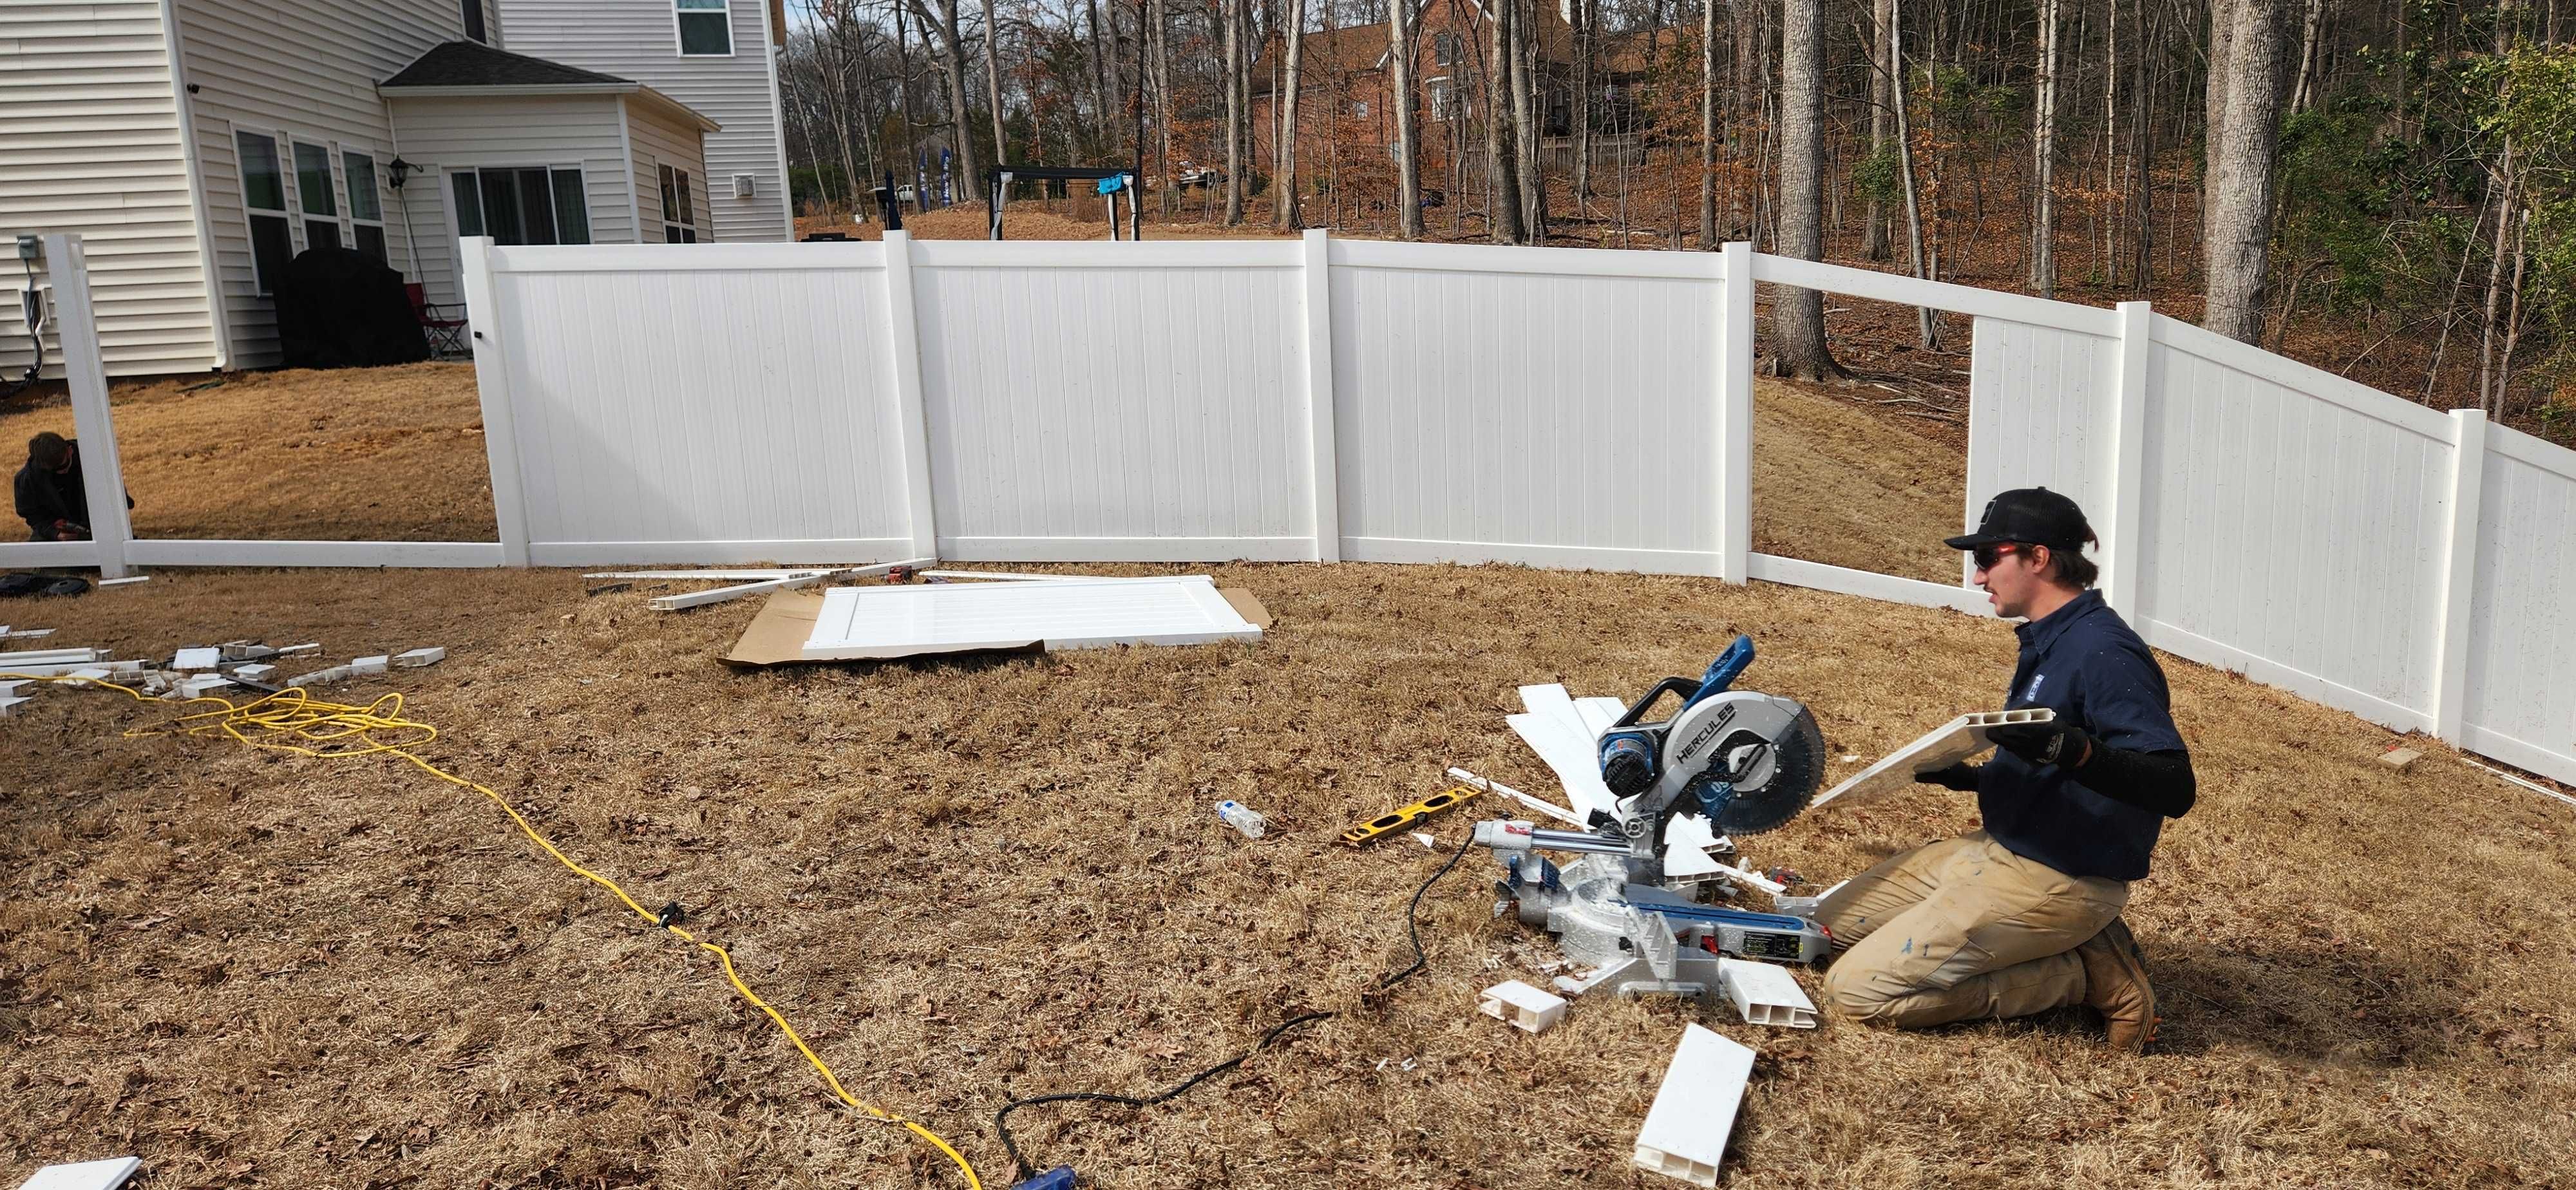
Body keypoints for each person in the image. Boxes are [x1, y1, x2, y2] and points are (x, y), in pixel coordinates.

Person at [1814, 487, 2195, 1052]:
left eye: (1988, 558)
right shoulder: (2050, 640)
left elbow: (2174, 787)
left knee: (1855, 992)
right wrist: (1970, 775)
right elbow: (2048, 760)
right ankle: (2076, 944)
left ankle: (2085, 975)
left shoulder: (2103, 651)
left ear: (2038, 558)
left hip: (2059, 877)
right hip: (1997, 849)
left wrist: (2073, 750)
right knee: (1825, 927)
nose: (1977, 576)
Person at [14, 431, 120, 542]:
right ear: (42, 466)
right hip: (54, 531)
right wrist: (54, 532)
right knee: (36, 553)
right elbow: (32, 515)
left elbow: (116, 495)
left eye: (64, 465)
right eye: (54, 470)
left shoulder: (94, 458)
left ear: (70, 451)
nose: (62, 471)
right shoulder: (27, 479)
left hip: (101, 524)